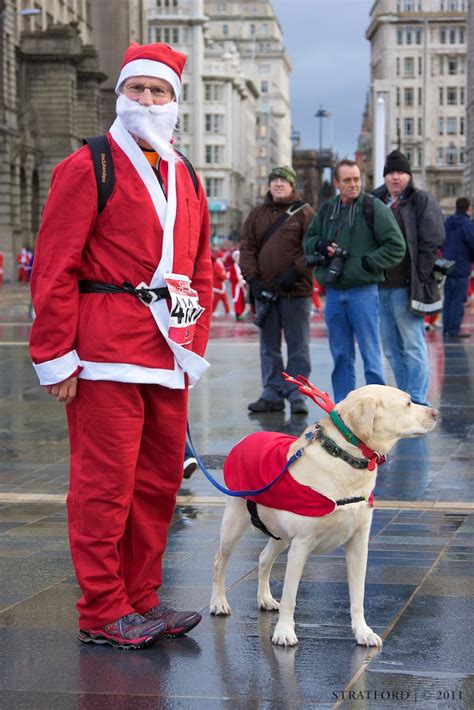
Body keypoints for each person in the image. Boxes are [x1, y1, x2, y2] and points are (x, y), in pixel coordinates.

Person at [29, 42, 213, 650]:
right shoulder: (88, 166)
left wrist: (193, 342)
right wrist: (56, 356)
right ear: (120, 95)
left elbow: (202, 268)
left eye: (158, 92)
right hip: (104, 350)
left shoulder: (185, 172)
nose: (147, 101)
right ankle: (103, 608)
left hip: (166, 354)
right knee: (105, 486)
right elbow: (54, 267)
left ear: (175, 102)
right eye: (137, 90)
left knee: (158, 483)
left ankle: (141, 598)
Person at [304, 159, 405, 403]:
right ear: (337, 183)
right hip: (335, 293)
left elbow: (396, 246)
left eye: (357, 179)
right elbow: (308, 239)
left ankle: (379, 409)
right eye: (347, 180)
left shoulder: (374, 207)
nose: (354, 184)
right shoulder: (328, 209)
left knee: (371, 355)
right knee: (341, 356)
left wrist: (368, 263)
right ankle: (343, 408)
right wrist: (321, 244)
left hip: (364, 292)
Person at [240, 165, 315, 415]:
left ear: (293, 186)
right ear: (269, 186)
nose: (279, 184)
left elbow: (312, 250)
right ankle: (271, 391)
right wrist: (254, 281)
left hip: (296, 292)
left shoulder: (306, 214)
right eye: (274, 181)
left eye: (284, 181)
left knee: (298, 347)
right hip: (266, 294)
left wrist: (296, 270)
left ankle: (297, 393)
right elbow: (247, 249)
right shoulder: (257, 214)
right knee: (268, 347)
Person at [373, 150, 445, 404]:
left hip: (406, 287)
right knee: (391, 349)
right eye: (390, 173)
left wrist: (420, 274)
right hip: (379, 288)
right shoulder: (375, 201)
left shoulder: (420, 200)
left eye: (401, 173)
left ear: (409, 176)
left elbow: (433, 238)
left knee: (413, 345)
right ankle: (404, 398)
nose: (395, 178)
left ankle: (417, 398)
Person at [442, 196, 474, 338]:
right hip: (462, 265)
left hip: (447, 265)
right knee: (459, 299)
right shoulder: (466, 224)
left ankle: (446, 328)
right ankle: (454, 329)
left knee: (448, 298)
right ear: (468, 209)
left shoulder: (448, 222)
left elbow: (440, 240)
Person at [228, 249, 247, 320]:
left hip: (242, 287)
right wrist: (238, 280)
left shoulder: (242, 266)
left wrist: (244, 280)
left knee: (242, 300)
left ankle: (241, 312)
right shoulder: (233, 267)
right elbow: (231, 277)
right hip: (236, 287)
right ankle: (238, 313)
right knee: (237, 300)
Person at [211, 250, 230, 315]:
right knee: (215, 300)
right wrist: (226, 276)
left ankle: (228, 311)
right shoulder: (216, 264)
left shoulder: (219, 264)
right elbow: (221, 275)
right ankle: (212, 312)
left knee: (224, 299)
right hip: (217, 285)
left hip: (220, 285)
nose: (224, 258)